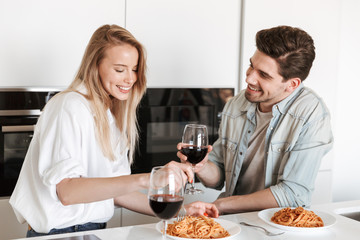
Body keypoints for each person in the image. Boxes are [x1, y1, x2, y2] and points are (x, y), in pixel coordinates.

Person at [10, 24, 217, 237]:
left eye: (134, 69)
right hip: (60, 234)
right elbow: (67, 192)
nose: (130, 78)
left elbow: (119, 194)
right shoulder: (69, 106)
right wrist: (151, 179)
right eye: (120, 69)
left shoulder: (109, 115)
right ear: (94, 66)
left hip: (91, 232)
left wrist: (181, 211)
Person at [178, 25, 333, 215]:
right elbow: (218, 176)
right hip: (235, 218)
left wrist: (222, 205)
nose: (249, 78)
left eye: (264, 75)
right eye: (252, 65)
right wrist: (201, 167)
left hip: (279, 224)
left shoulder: (312, 114)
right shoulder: (236, 104)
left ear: (292, 84)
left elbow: (293, 194)